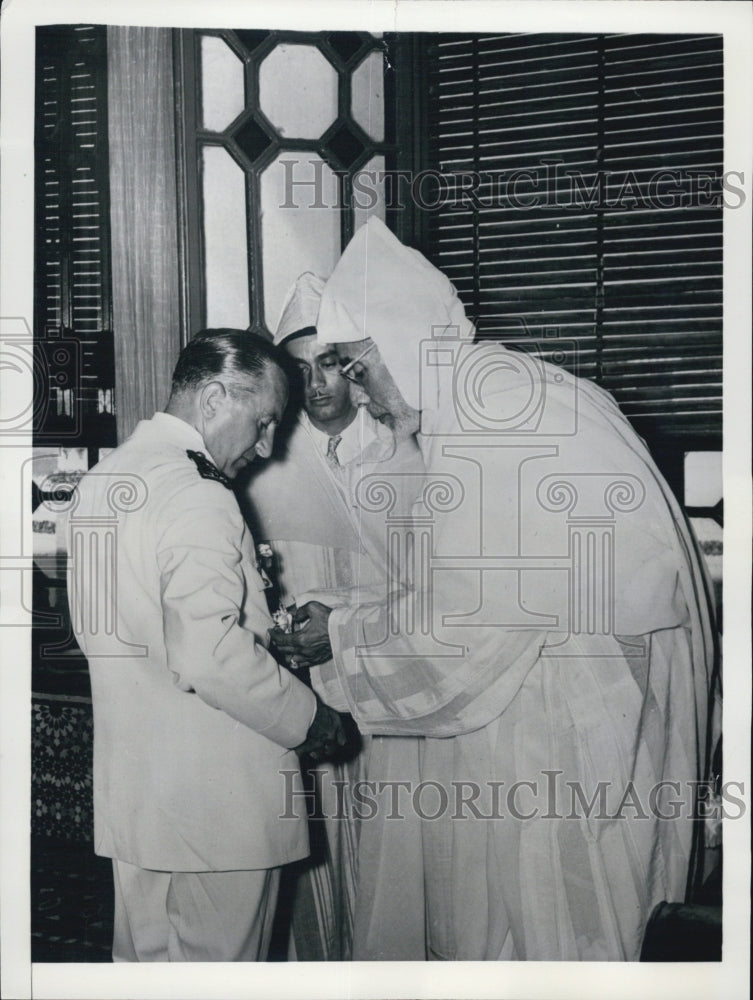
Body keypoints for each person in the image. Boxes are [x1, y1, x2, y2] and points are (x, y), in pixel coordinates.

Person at [272, 218, 719, 961]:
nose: (363, 395)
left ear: (404, 338)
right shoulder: (510, 387)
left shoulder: (488, 423)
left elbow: (463, 633)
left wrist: (340, 635)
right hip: (592, 695)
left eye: (356, 368)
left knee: (558, 924)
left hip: (574, 718)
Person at [68, 330, 345, 962]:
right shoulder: (198, 492)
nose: (267, 446)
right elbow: (207, 652)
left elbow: (116, 631)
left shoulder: (105, 480)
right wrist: (309, 720)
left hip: (140, 795)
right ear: (216, 397)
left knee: (143, 970)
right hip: (221, 805)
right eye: (265, 422)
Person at [242, 273, 426, 960]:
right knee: (308, 853)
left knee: (388, 855)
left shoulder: (402, 450)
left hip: (387, 686)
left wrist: (347, 626)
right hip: (302, 694)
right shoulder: (261, 462)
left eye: (327, 363)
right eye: (297, 369)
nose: (315, 383)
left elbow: (432, 586)